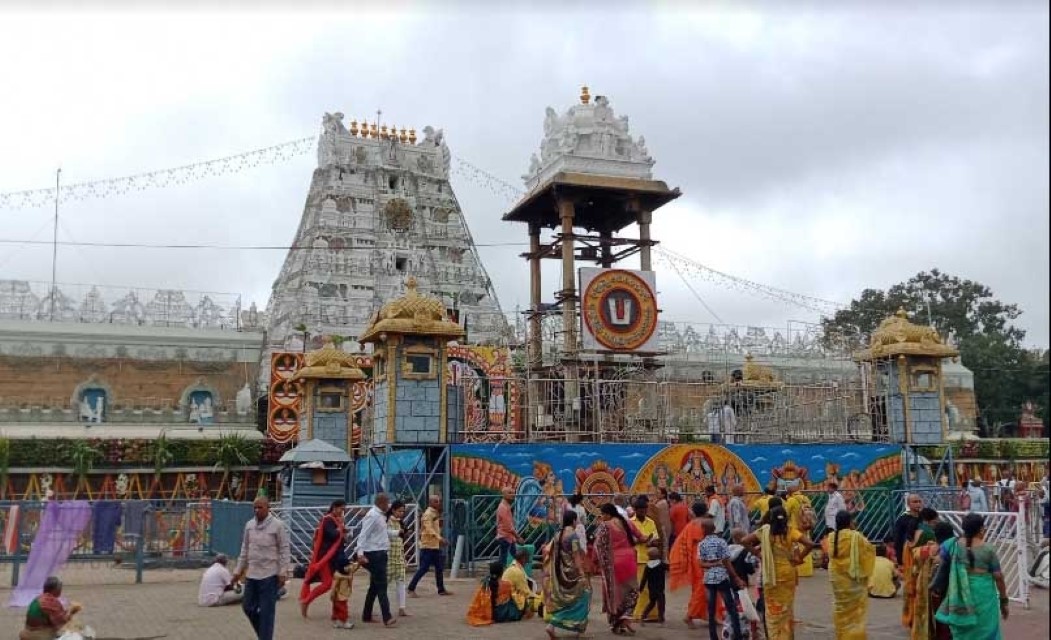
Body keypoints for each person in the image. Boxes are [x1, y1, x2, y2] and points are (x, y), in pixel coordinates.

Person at [739, 506, 816, 640]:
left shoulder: (764, 531)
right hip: (788, 574)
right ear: (785, 518)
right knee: (787, 608)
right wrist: (799, 558)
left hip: (771, 574)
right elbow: (810, 544)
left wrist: (757, 553)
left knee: (773, 609)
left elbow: (744, 541)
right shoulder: (791, 531)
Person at [935, 512, 1010, 639]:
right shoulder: (988, 549)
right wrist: (1004, 601)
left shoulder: (951, 544)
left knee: (963, 633)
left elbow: (938, 560)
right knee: (986, 629)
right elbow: (998, 577)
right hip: (983, 596)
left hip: (958, 595)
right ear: (981, 529)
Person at [233, 496, 290, 640]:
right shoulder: (249, 525)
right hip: (252, 574)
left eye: (260, 507)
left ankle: (265, 636)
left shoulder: (278, 525)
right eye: (255, 508)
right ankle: (265, 636)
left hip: (269, 575)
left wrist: (283, 572)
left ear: (268, 508)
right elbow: (244, 549)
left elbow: (284, 550)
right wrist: (238, 571)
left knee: (266, 613)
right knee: (248, 607)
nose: (256, 510)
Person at [826, 510, 876, 640]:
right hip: (853, 580)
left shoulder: (831, 537)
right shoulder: (856, 536)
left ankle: (842, 636)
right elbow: (869, 550)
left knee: (840, 607)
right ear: (850, 522)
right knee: (855, 612)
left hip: (837, 579)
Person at [542, 510, 591, 639]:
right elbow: (576, 557)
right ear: (574, 521)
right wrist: (582, 575)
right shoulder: (573, 536)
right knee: (584, 595)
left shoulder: (558, 534)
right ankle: (578, 628)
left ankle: (552, 625)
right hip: (572, 574)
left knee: (567, 601)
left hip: (561, 575)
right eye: (577, 520)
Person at [595, 501, 642, 635]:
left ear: (608, 514)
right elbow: (642, 537)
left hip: (614, 563)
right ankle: (626, 614)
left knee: (614, 593)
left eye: (603, 514)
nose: (602, 517)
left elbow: (599, 545)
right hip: (629, 560)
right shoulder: (627, 522)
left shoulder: (605, 526)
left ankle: (616, 623)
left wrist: (595, 561)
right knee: (632, 590)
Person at [354, 493, 397, 628]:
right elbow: (363, 534)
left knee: (374, 586)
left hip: (380, 553)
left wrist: (397, 533)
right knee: (382, 585)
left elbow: (382, 533)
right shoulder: (372, 515)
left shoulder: (380, 516)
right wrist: (360, 553)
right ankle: (387, 616)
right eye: (387, 502)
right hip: (374, 554)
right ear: (381, 503)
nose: (389, 505)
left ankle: (366, 615)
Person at [699, 519, 746, 640]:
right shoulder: (722, 542)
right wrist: (736, 577)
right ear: (714, 529)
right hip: (722, 578)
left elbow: (701, 563)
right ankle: (737, 635)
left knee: (711, 610)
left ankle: (713, 637)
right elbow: (727, 562)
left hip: (709, 579)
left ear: (703, 529)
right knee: (731, 608)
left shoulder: (701, 544)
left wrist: (711, 564)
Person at [300, 500, 348, 617]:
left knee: (339, 584)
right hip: (325, 558)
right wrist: (341, 528)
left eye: (343, 510)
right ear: (335, 508)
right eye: (341, 509)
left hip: (334, 558)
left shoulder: (334, 521)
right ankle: (306, 601)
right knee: (327, 584)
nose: (342, 512)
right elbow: (333, 534)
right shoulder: (328, 520)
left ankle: (337, 612)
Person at [914, 521, 955, 640]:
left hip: (935, 589)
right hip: (953, 590)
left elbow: (916, 559)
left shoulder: (927, 550)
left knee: (938, 618)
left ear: (935, 535)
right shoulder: (956, 548)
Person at [408, 495, 453, 597]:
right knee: (424, 568)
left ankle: (441, 589)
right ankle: (411, 588)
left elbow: (435, 529)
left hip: (434, 545)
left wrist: (439, 538)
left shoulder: (435, 513)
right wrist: (440, 539)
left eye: (439, 501)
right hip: (427, 546)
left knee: (439, 568)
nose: (439, 503)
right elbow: (429, 529)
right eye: (436, 501)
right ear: (430, 503)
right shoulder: (428, 514)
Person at [466, 561, 529, 626]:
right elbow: (514, 597)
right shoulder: (507, 584)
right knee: (522, 598)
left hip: (489, 613)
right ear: (502, 573)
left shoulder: (485, 584)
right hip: (502, 614)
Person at [630, 496, 661, 622]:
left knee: (651, 588)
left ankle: (651, 615)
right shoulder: (630, 522)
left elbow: (656, 539)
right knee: (639, 588)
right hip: (636, 559)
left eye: (644, 510)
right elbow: (629, 540)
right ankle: (637, 614)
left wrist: (651, 543)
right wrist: (642, 540)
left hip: (650, 559)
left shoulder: (651, 522)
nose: (643, 512)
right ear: (635, 510)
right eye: (640, 510)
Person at [785, 484, 815, 577]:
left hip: (796, 528)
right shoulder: (806, 498)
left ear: (789, 492)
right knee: (807, 545)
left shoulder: (791, 500)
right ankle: (807, 570)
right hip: (806, 527)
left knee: (796, 548)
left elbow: (786, 513)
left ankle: (799, 570)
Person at [386, 500, 411, 617]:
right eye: (399, 511)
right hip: (388, 556)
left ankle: (402, 608)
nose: (401, 513)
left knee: (401, 582)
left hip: (399, 556)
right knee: (384, 584)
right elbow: (386, 533)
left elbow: (401, 541)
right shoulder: (387, 521)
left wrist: (404, 556)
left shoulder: (401, 522)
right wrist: (398, 532)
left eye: (403, 511)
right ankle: (384, 608)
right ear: (393, 510)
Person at [503, 547, 541, 617]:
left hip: (509, 597)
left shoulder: (512, 567)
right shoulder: (517, 571)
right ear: (523, 559)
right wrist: (539, 596)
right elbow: (525, 592)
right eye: (526, 560)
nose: (527, 562)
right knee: (542, 601)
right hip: (512, 600)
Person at [639, 546, 668, 625]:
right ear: (658, 555)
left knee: (651, 603)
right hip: (660, 588)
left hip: (651, 589)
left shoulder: (647, 566)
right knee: (661, 603)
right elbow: (670, 568)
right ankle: (661, 618)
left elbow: (644, 578)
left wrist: (640, 588)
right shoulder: (661, 564)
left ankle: (643, 616)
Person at [496, 486, 523, 566]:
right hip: (505, 536)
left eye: (513, 493)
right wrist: (518, 537)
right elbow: (508, 526)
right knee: (505, 558)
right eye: (510, 493)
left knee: (511, 555)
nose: (513, 495)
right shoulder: (503, 507)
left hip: (508, 537)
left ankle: (517, 571)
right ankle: (502, 574)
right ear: (504, 494)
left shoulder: (506, 506)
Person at [330, 561, 360, 629]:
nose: (348, 567)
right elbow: (334, 586)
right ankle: (344, 622)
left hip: (343, 594)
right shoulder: (337, 575)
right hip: (339, 595)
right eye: (346, 566)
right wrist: (332, 594)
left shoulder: (348, 571)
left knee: (337, 609)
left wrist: (360, 563)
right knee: (343, 609)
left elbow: (354, 568)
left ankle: (336, 621)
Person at [654, 487, 673, 561]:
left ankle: (665, 561)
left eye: (658, 493)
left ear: (663, 495)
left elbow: (652, 509)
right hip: (663, 526)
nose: (656, 494)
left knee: (664, 544)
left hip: (664, 526)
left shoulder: (662, 503)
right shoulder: (661, 502)